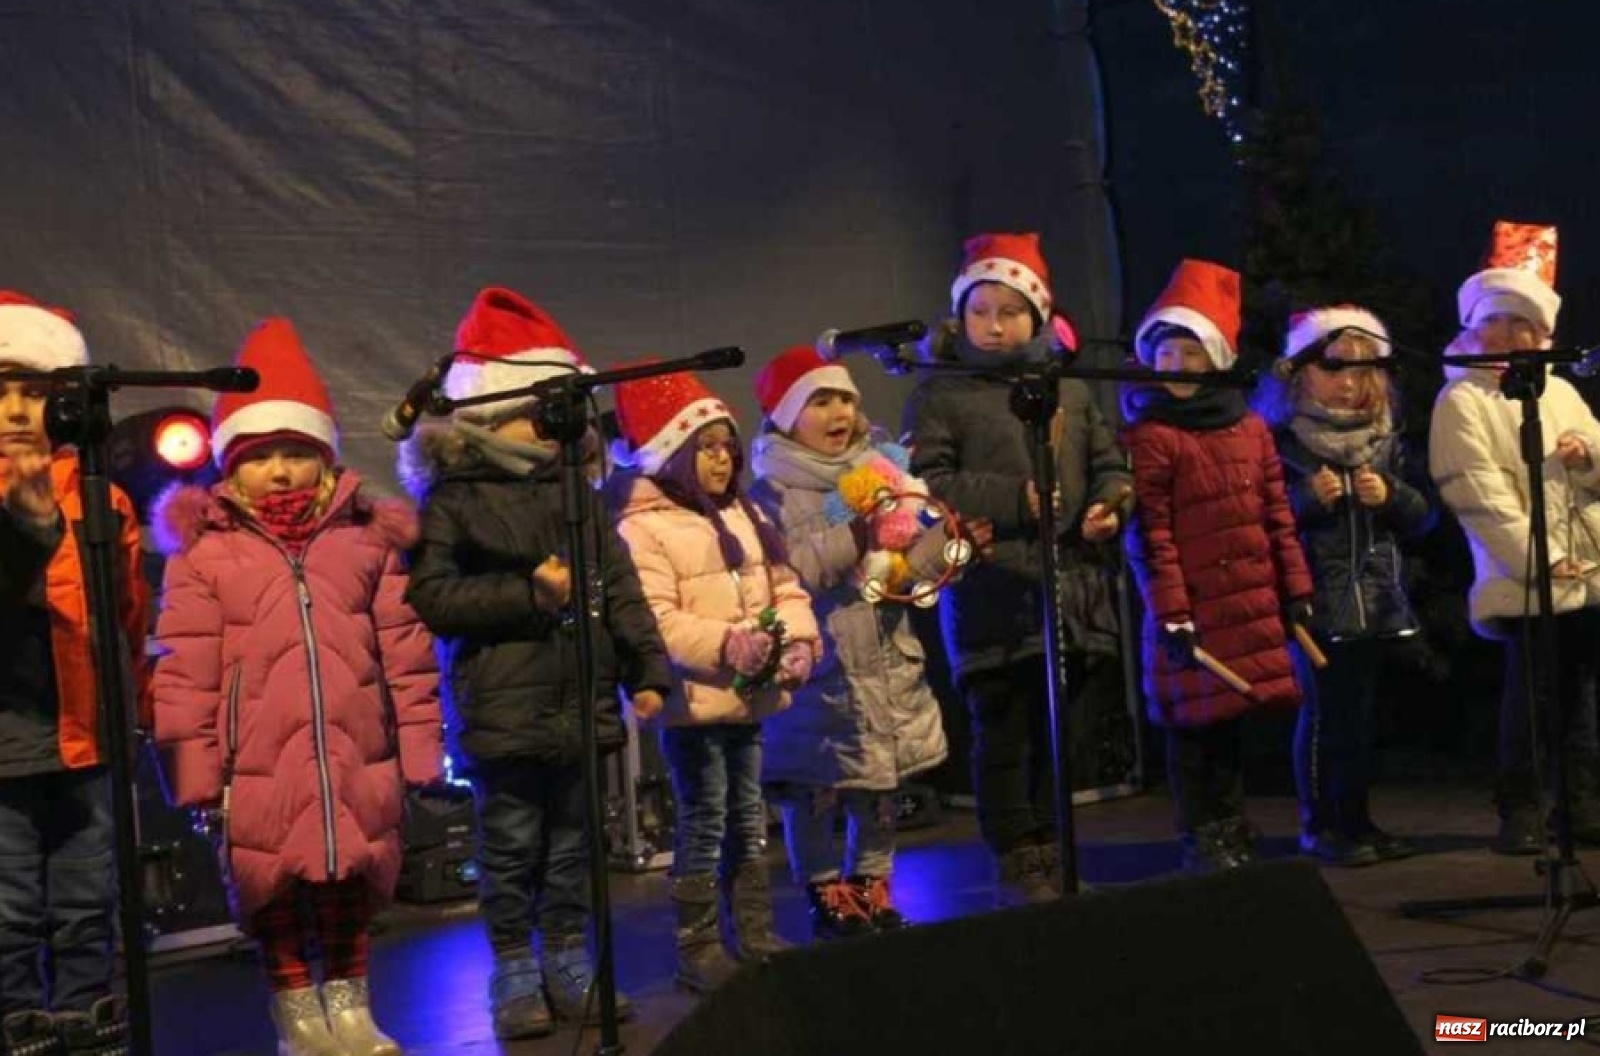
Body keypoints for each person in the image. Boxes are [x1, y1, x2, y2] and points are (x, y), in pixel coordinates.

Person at [151, 318, 442, 1056]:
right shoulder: (207, 557)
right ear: (229, 467)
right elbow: (184, 670)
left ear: (324, 458)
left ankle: (349, 1006)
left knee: (351, 884)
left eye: (296, 454)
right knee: (275, 891)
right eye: (261, 457)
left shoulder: (363, 543)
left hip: (352, 754)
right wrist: (195, 772)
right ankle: (297, 1014)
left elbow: (405, 654)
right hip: (259, 765)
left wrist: (417, 753)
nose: (279, 472)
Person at [401, 287, 672, 1039]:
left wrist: (647, 671)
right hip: (504, 709)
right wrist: (528, 594)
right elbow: (433, 595)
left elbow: (619, 587)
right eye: (531, 412)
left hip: (578, 704)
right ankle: (515, 962)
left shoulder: (579, 496)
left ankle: (566, 954)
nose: (549, 427)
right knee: (512, 842)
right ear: (490, 416)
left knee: (575, 842)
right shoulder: (456, 499)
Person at [902, 232, 1130, 903]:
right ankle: (1018, 853)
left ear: (1037, 314)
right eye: (980, 311)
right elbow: (927, 479)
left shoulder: (1073, 390)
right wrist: (1016, 498)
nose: (993, 325)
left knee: (1062, 731)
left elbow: (1110, 464)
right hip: (990, 584)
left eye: (1008, 310)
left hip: (1070, 587)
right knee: (1003, 727)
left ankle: (1054, 847)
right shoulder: (942, 392)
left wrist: (1110, 505)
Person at [749, 345, 987, 937]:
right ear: (785, 415)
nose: (838, 413)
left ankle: (871, 884)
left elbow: (901, 573)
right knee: (815, 788)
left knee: (880, 786)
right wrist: (855, 530)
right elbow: (795, 570)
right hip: (823, 670)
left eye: (845, 400)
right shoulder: (772, 492)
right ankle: (824, 889)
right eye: (819, 401)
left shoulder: (880, 475)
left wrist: (954, 549)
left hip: (885, 662)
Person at [609, 368, 821, 991]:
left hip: (747, 699)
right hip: (694, 706)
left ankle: (752, 930)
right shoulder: (642, 526)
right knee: (705, 817)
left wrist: (798, 642)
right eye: (706, 448)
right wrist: (727, 644)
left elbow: (784, 587)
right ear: (672, 453)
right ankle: (697, 944)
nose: (723, 459)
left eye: (727, 446)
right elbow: (657, 621)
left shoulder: (744, 514)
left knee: (748, 815)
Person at [1120, 259, 1314, 874]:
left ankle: (1230, 821)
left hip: (1246, 599)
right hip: (1191, 606)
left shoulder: (1250, 427)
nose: (1176, 366)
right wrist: (1172, 612)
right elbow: (1150, 534)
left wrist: (1296, 590)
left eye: (1190, 352)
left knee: (1230, 721)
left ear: (1216, 357)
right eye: (1165, 353)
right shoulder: (1151, 435)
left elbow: (1276, 512)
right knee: (1191, 725)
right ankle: (1200, 829)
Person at [0, 292, 147, 1055]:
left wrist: (138, 705)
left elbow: (127, 615)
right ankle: (20, 1024)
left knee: (90, 900)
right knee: (10, 907)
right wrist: (25, 530)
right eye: (3, 389)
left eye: (37, 390)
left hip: (87, 734)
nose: (20, 409)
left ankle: (92, 1021)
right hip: (6, 746)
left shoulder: (100, 496)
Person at [1428, 221, 1600, 855]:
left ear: (1542, 334)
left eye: (1520, 324)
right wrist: (1539, 559)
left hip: (1584, 568)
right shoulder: (1463, 399)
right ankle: (1521, 806)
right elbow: (1476, 491)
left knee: (1580, 695)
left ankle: (1581, 803)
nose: (1506, 336)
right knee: (1532, 696)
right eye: (1494, 322)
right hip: (1526, 571)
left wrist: (1588, 456)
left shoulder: (1561, 390)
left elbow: (1596, 464)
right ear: (1474, 328)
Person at [1255, 306, 1435, 865]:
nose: (1352, 383)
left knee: (1359, 718)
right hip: (1313, 603)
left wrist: (1396, 498)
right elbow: (1259, 521)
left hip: (1375, 600)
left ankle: (1358, 820)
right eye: (1336, 368)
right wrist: (1304, 501)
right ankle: (1321, 824)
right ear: (1302, 371)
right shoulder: (1283, 442)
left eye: (1365, 371)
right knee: (1322, 717)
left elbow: (1426, 517)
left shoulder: (1386, 440)